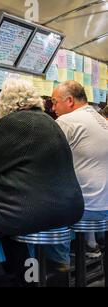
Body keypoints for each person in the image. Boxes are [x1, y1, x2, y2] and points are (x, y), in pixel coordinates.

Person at [0, 79, 84, 286]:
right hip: (70, 208)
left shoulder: (13, 123)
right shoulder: (50, 122)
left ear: (5, 104)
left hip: (35, 209)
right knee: (8, 226)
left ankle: (1, 281)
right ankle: (23, 277)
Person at [48, 81, 108, 262]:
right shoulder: (100, 119)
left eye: (54, 102)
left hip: (88, 208)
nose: (52, 108)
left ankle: (55, 275)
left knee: (43, 217)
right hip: (104, 206)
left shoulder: (67, 121)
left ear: (69, 101)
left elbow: (45, 158)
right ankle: (88, 248)